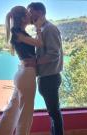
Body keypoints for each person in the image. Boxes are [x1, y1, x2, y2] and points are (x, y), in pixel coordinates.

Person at [0, 6, 44, 135]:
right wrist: (38, 27)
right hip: (26, 75)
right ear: (22, 18)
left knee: (12, 111)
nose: (30, 16)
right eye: (27, 14)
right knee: (25, 115)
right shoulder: (19, 34)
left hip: (22, 73)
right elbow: (39, 43)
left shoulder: (19, 33)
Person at [27, 2, 64, 135]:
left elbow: (54, 54)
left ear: (40, 12)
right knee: (53, 113)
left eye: (30, 11)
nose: (28, 14)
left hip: (50, 78)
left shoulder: (49, 29)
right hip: (46, 78)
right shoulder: (41, 30)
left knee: (54, 113)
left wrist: (34, 62)